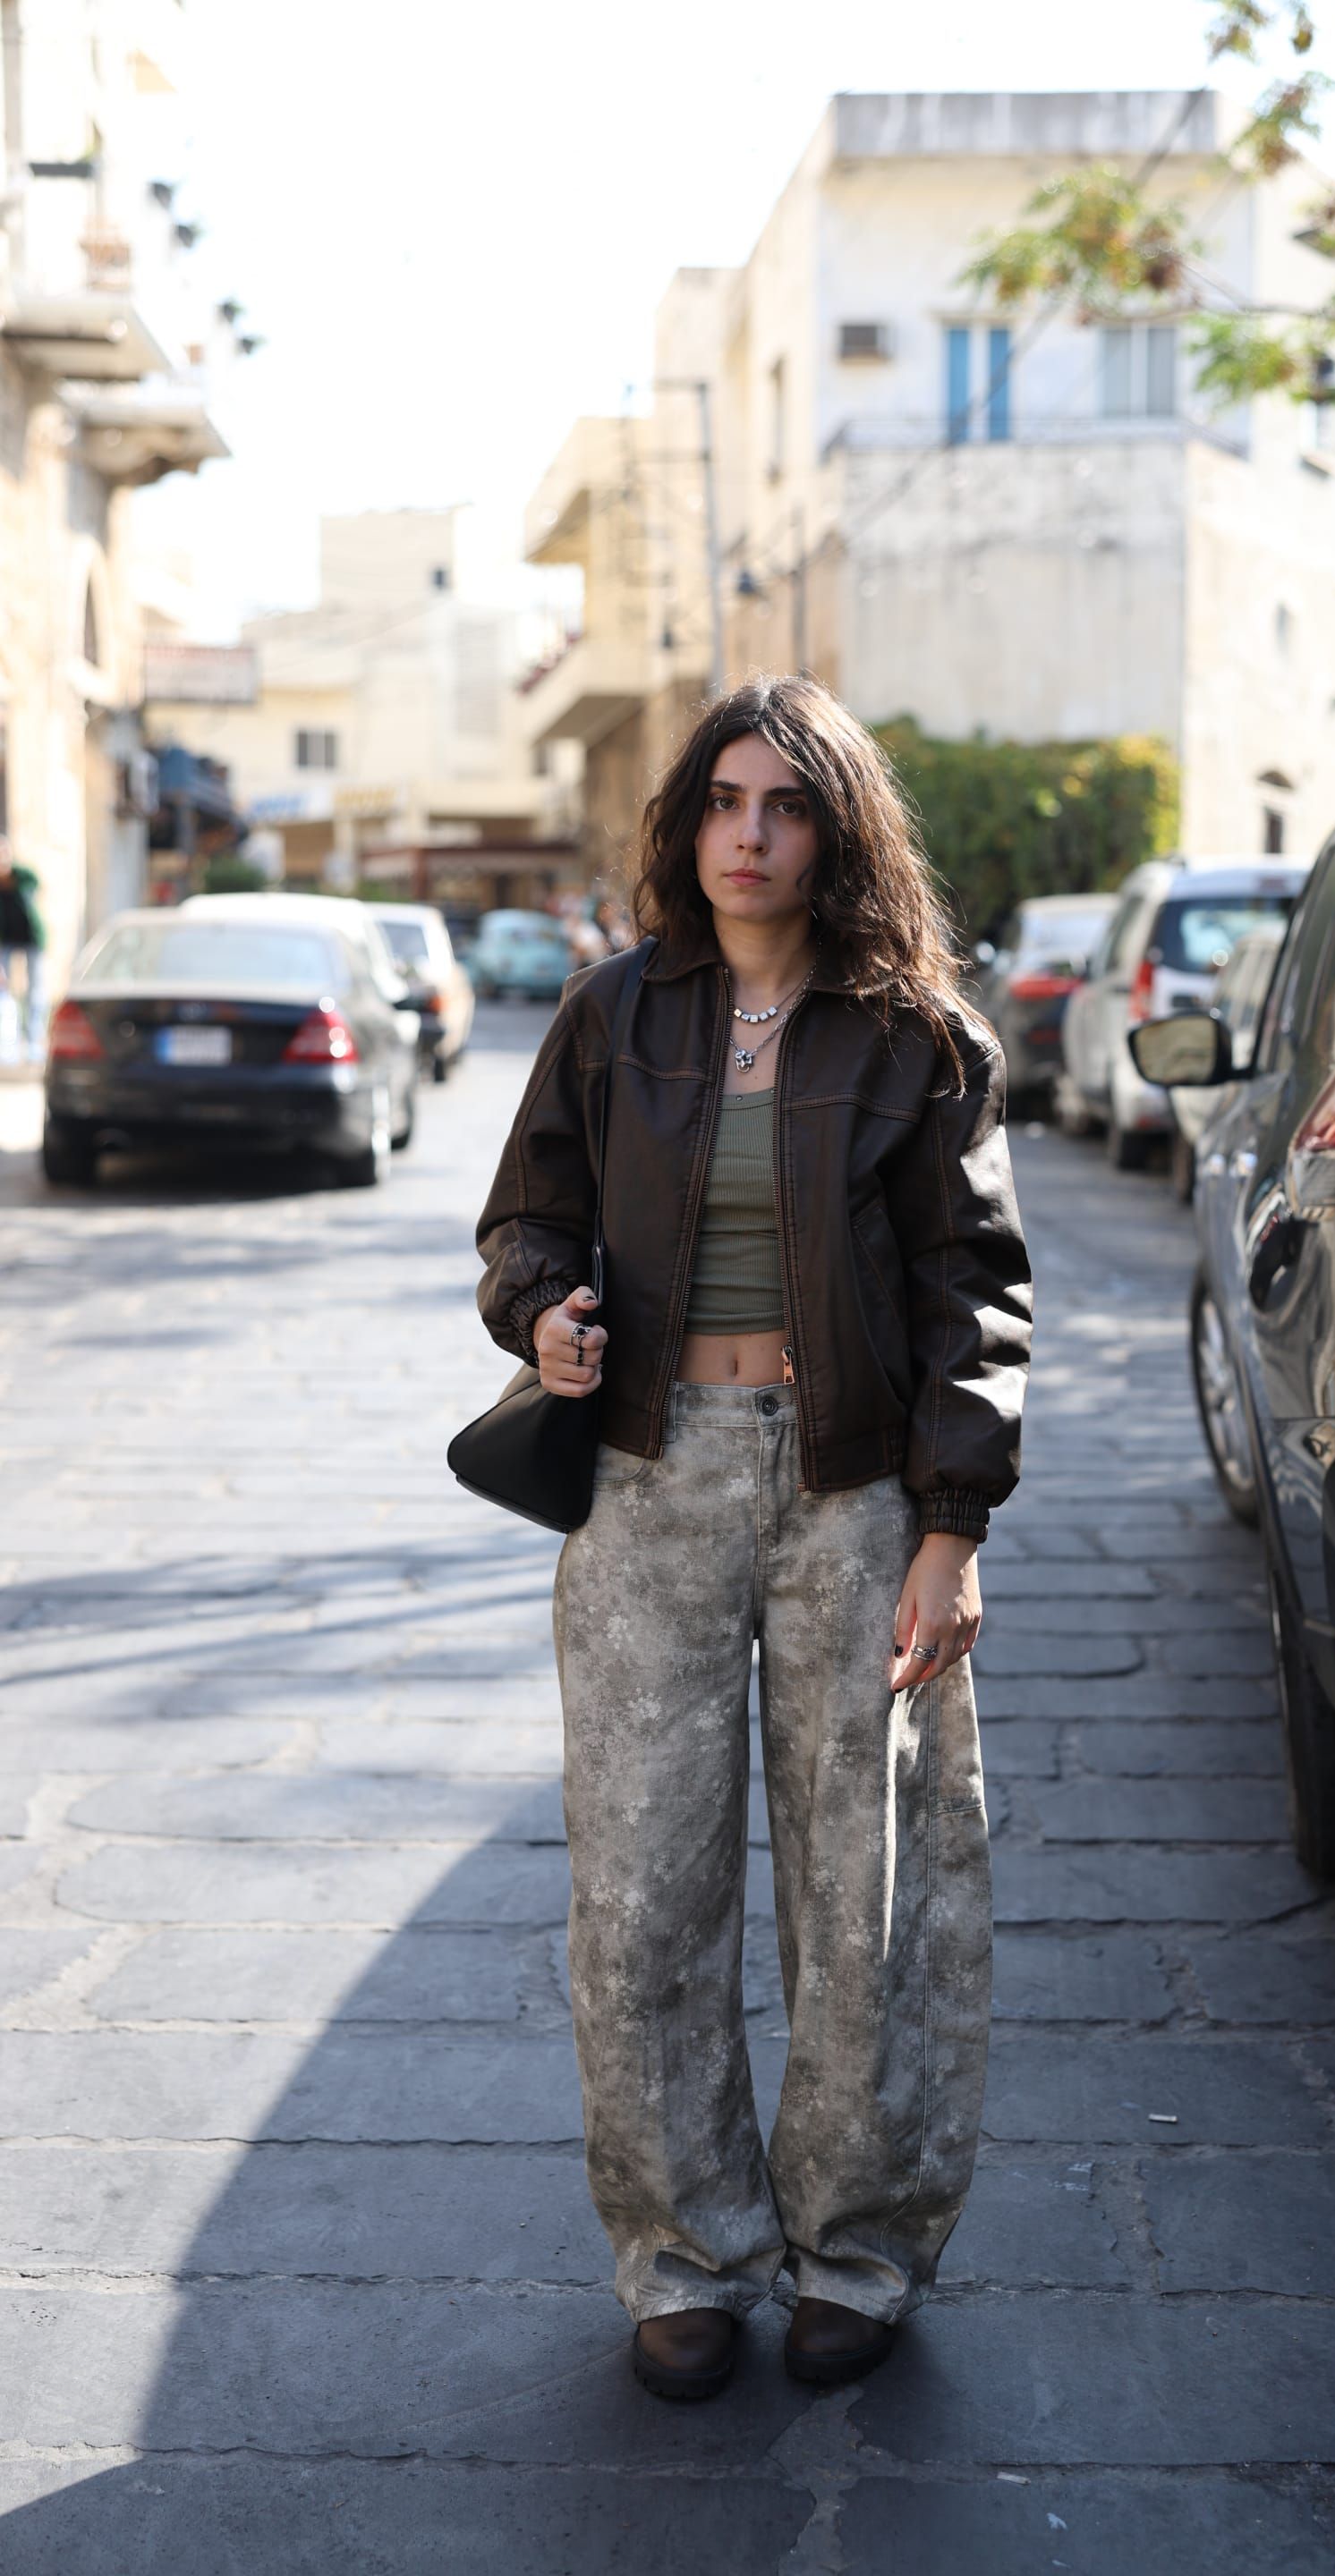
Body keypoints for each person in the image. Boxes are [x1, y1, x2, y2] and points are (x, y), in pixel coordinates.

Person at [475, 675, 1032, 2401]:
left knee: (871, 1893)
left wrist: (951, 1526)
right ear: (684, 823)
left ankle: (857, 2250)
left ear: (837, 832)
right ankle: (686, 2254)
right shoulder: (611, 1015)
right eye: (723, 800)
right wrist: (544, 1315)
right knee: (642, 1891)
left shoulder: (918, 1039)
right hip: (650, 1481)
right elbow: (526, 1222)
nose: (749, 834)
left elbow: (973, 1293)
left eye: (787, 805)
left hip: (852, 1491)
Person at [0, 838, 47, 1067]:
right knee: (4, 991)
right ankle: (9, 1043)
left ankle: (33, 1042)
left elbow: (34, 889)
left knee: (35, 991)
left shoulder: (23, 876)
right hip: (5, 940)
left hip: (31, 938)